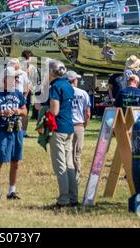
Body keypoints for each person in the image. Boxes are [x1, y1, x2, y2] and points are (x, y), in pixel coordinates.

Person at [0, 67, 27, 200]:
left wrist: (18, 111)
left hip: (16, 131)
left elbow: (25, 111)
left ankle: (11, 191)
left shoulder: (18, 94)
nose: (15, 80)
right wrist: (1, 113)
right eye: (12, 78)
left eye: (15, 78)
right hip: (2, 131)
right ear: (4, 79)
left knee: (15, 162)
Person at [47, 60, 77, 208]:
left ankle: (64, 199)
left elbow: (54, 111)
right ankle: (73, 197)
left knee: (60, 166)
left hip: (58, 128)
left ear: (52, 72)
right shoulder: (68, 85)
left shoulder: (56, 87)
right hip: (69, 127)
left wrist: (44, 111)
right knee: (69, 164)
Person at [66, 70, 91, 184]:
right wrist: (84, 125)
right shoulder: (83, 93)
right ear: (74, 80)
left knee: (66, 153)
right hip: (78, 125)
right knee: (77, 154)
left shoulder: (63, 91)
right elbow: (88, 113)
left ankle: (66, 176)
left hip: (65, 125)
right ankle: (76, 178)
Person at [22, 50, 39, 137]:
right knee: (21, 111)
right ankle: (19, 131)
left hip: (27, 91)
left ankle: (23, 131)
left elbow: (34, 81)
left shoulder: (33, 68)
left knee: (25, 111)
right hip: (21, 91)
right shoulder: (21, 66)